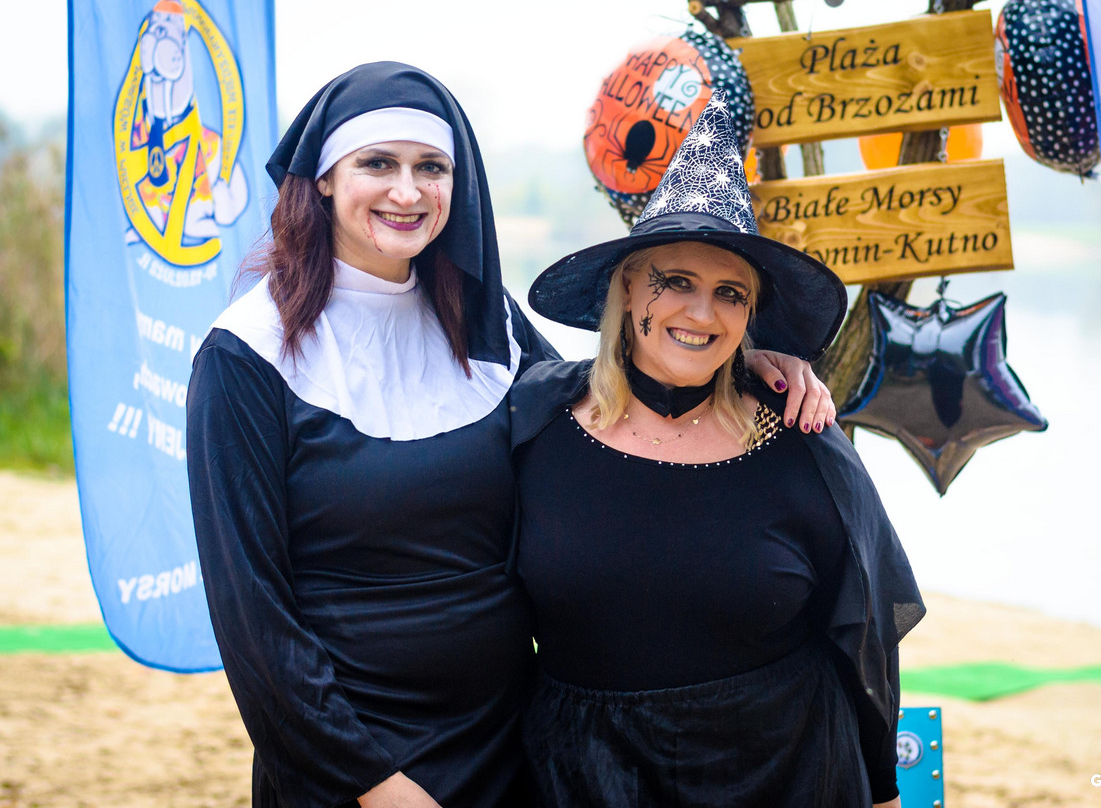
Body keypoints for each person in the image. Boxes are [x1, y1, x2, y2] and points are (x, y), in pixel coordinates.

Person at [185, 62, 836, 808]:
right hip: (353, 758)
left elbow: (610, 405)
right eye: (379, 164)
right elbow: (252, 614)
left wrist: (739, 361)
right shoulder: (247, 355)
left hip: (509, 745)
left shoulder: (484, 321)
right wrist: (370, 783)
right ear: (325, 178)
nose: (407, 191)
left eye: (431, 167)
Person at [509, 93, 925, 807]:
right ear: (627, 287)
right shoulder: (534, 426)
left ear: (750, 312)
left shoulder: (800, 439)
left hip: (785, 774)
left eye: (730, 293)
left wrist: (884, 791)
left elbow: (867, 635)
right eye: (677, 282)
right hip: (583, 779)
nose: (702, 314)